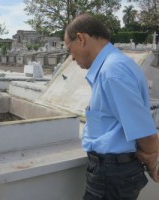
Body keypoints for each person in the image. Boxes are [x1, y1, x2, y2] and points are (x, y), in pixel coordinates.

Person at [64, 13, 159, 199]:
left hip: (112, 175)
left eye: (70, 49)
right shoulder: (114, 66)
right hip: (113, 172)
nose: (72, 58)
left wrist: (152, 159)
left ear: (81, 39)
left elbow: (144, 131)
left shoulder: (112, 72)